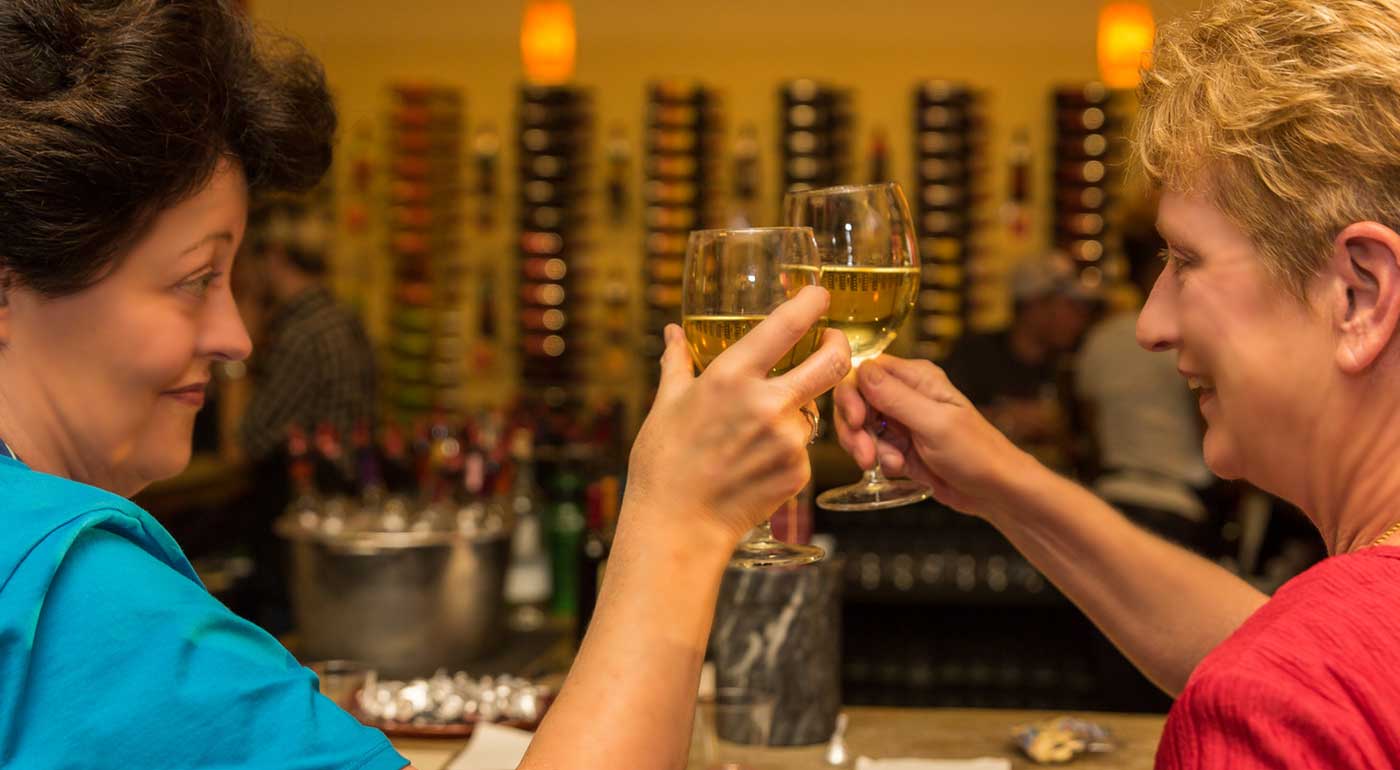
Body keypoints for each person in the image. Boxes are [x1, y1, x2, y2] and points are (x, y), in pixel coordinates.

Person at [0, 2, 851, 768]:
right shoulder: (79, 603)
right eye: (194, 280)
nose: (236, 338)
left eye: (233, 280)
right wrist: (677, 523)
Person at [834, 0, 1400, 766]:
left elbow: (1281, 685)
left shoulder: (1272, 706)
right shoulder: (1330, 662)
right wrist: (996, 476)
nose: (1150, 325)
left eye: (1187, 261)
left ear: (1359, 295)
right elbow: (1289, 650)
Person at [1074, 222, 1216, 552]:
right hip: (1179, 506)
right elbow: (1206, 423)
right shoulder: (1185, 338)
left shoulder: (1100, 339)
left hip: (1112, 498)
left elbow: (1088, 428)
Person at [941, 251, 1098, 469]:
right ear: (1034, 306)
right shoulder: (975, 353)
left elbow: (1082, 445)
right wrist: (1006, 420)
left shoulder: (1070, 363)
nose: (1079, 318)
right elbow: (942, 418)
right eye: (1069, 306)